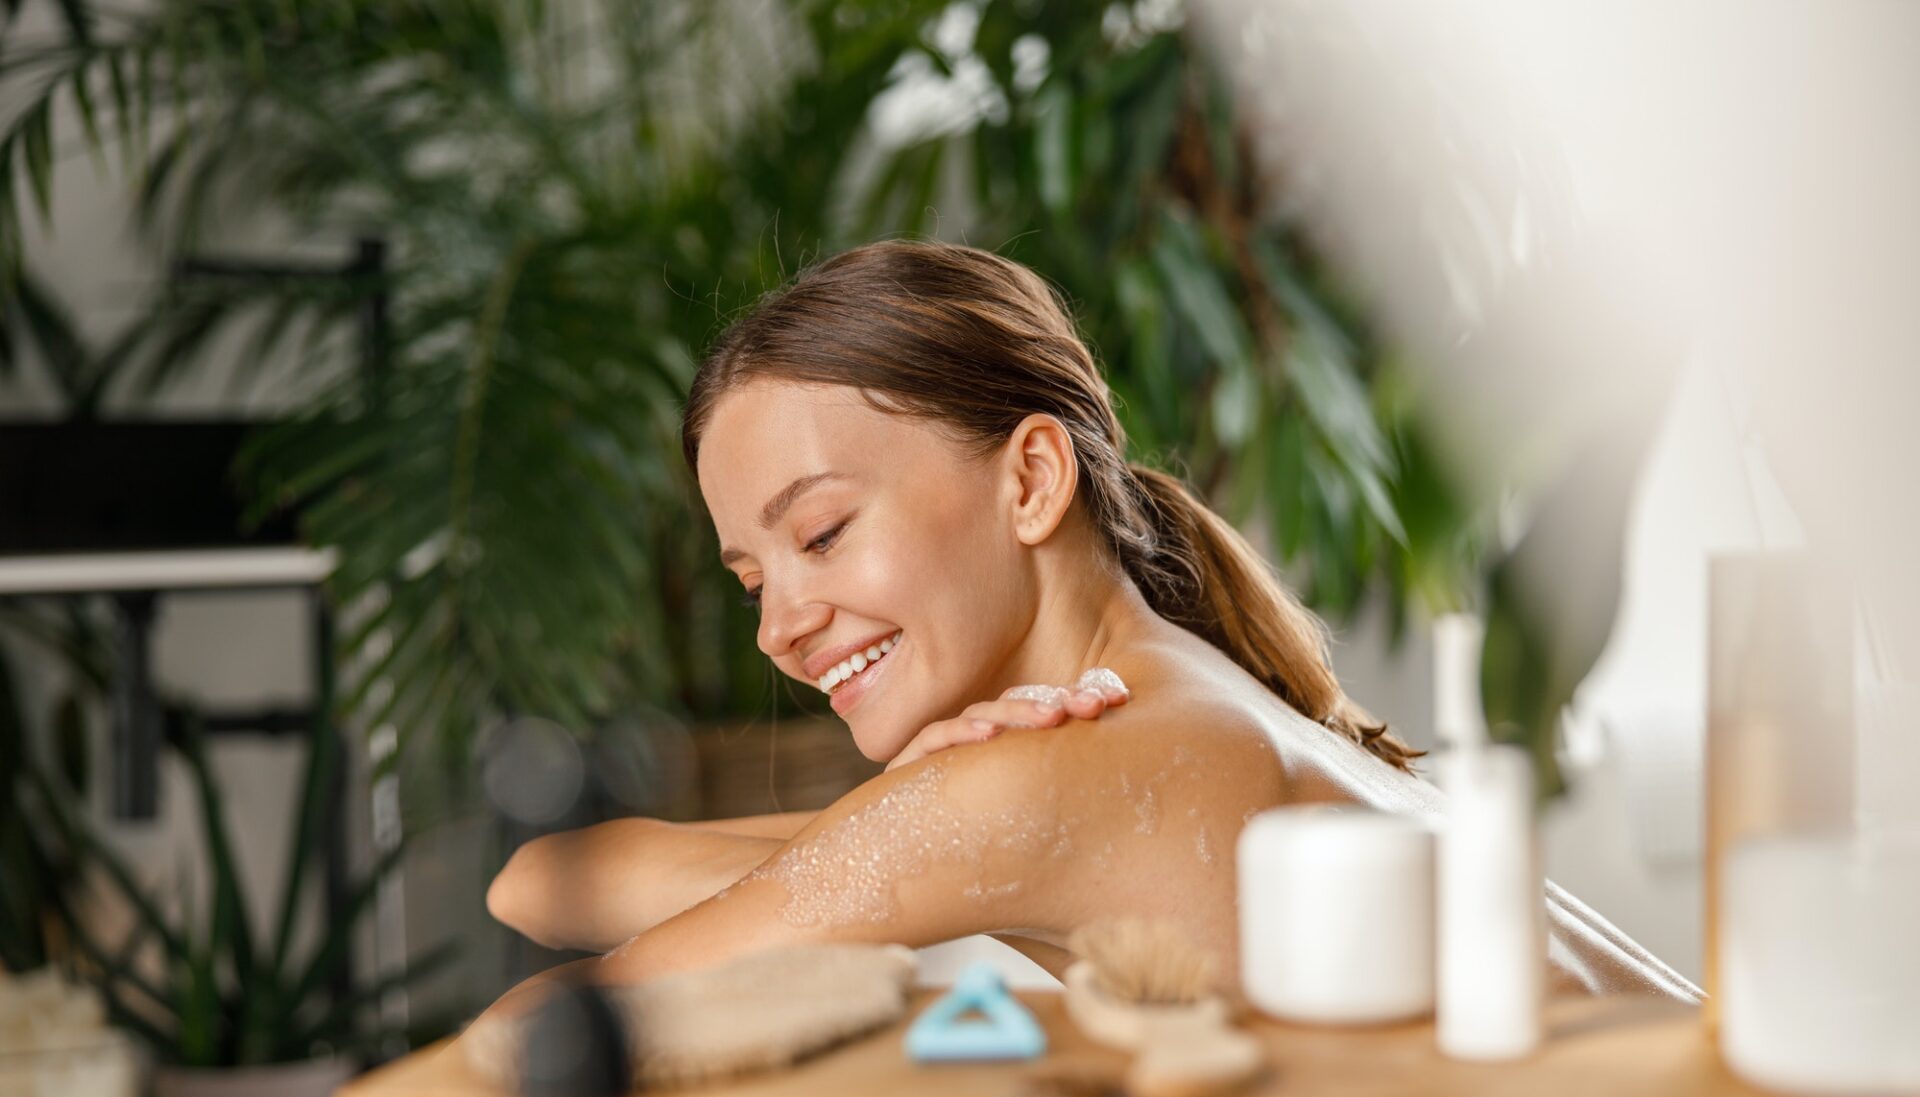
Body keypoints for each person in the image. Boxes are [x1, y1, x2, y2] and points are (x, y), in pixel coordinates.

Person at [477, 239, 1696, 1023]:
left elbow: (542, 1034)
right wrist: (916, 802)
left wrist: (931, 812)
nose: (779, 629)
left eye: (825, 534)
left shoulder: (1066, 775)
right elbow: (540, 882)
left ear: (1030, 481)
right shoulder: (1176, 712)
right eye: (751, 578)